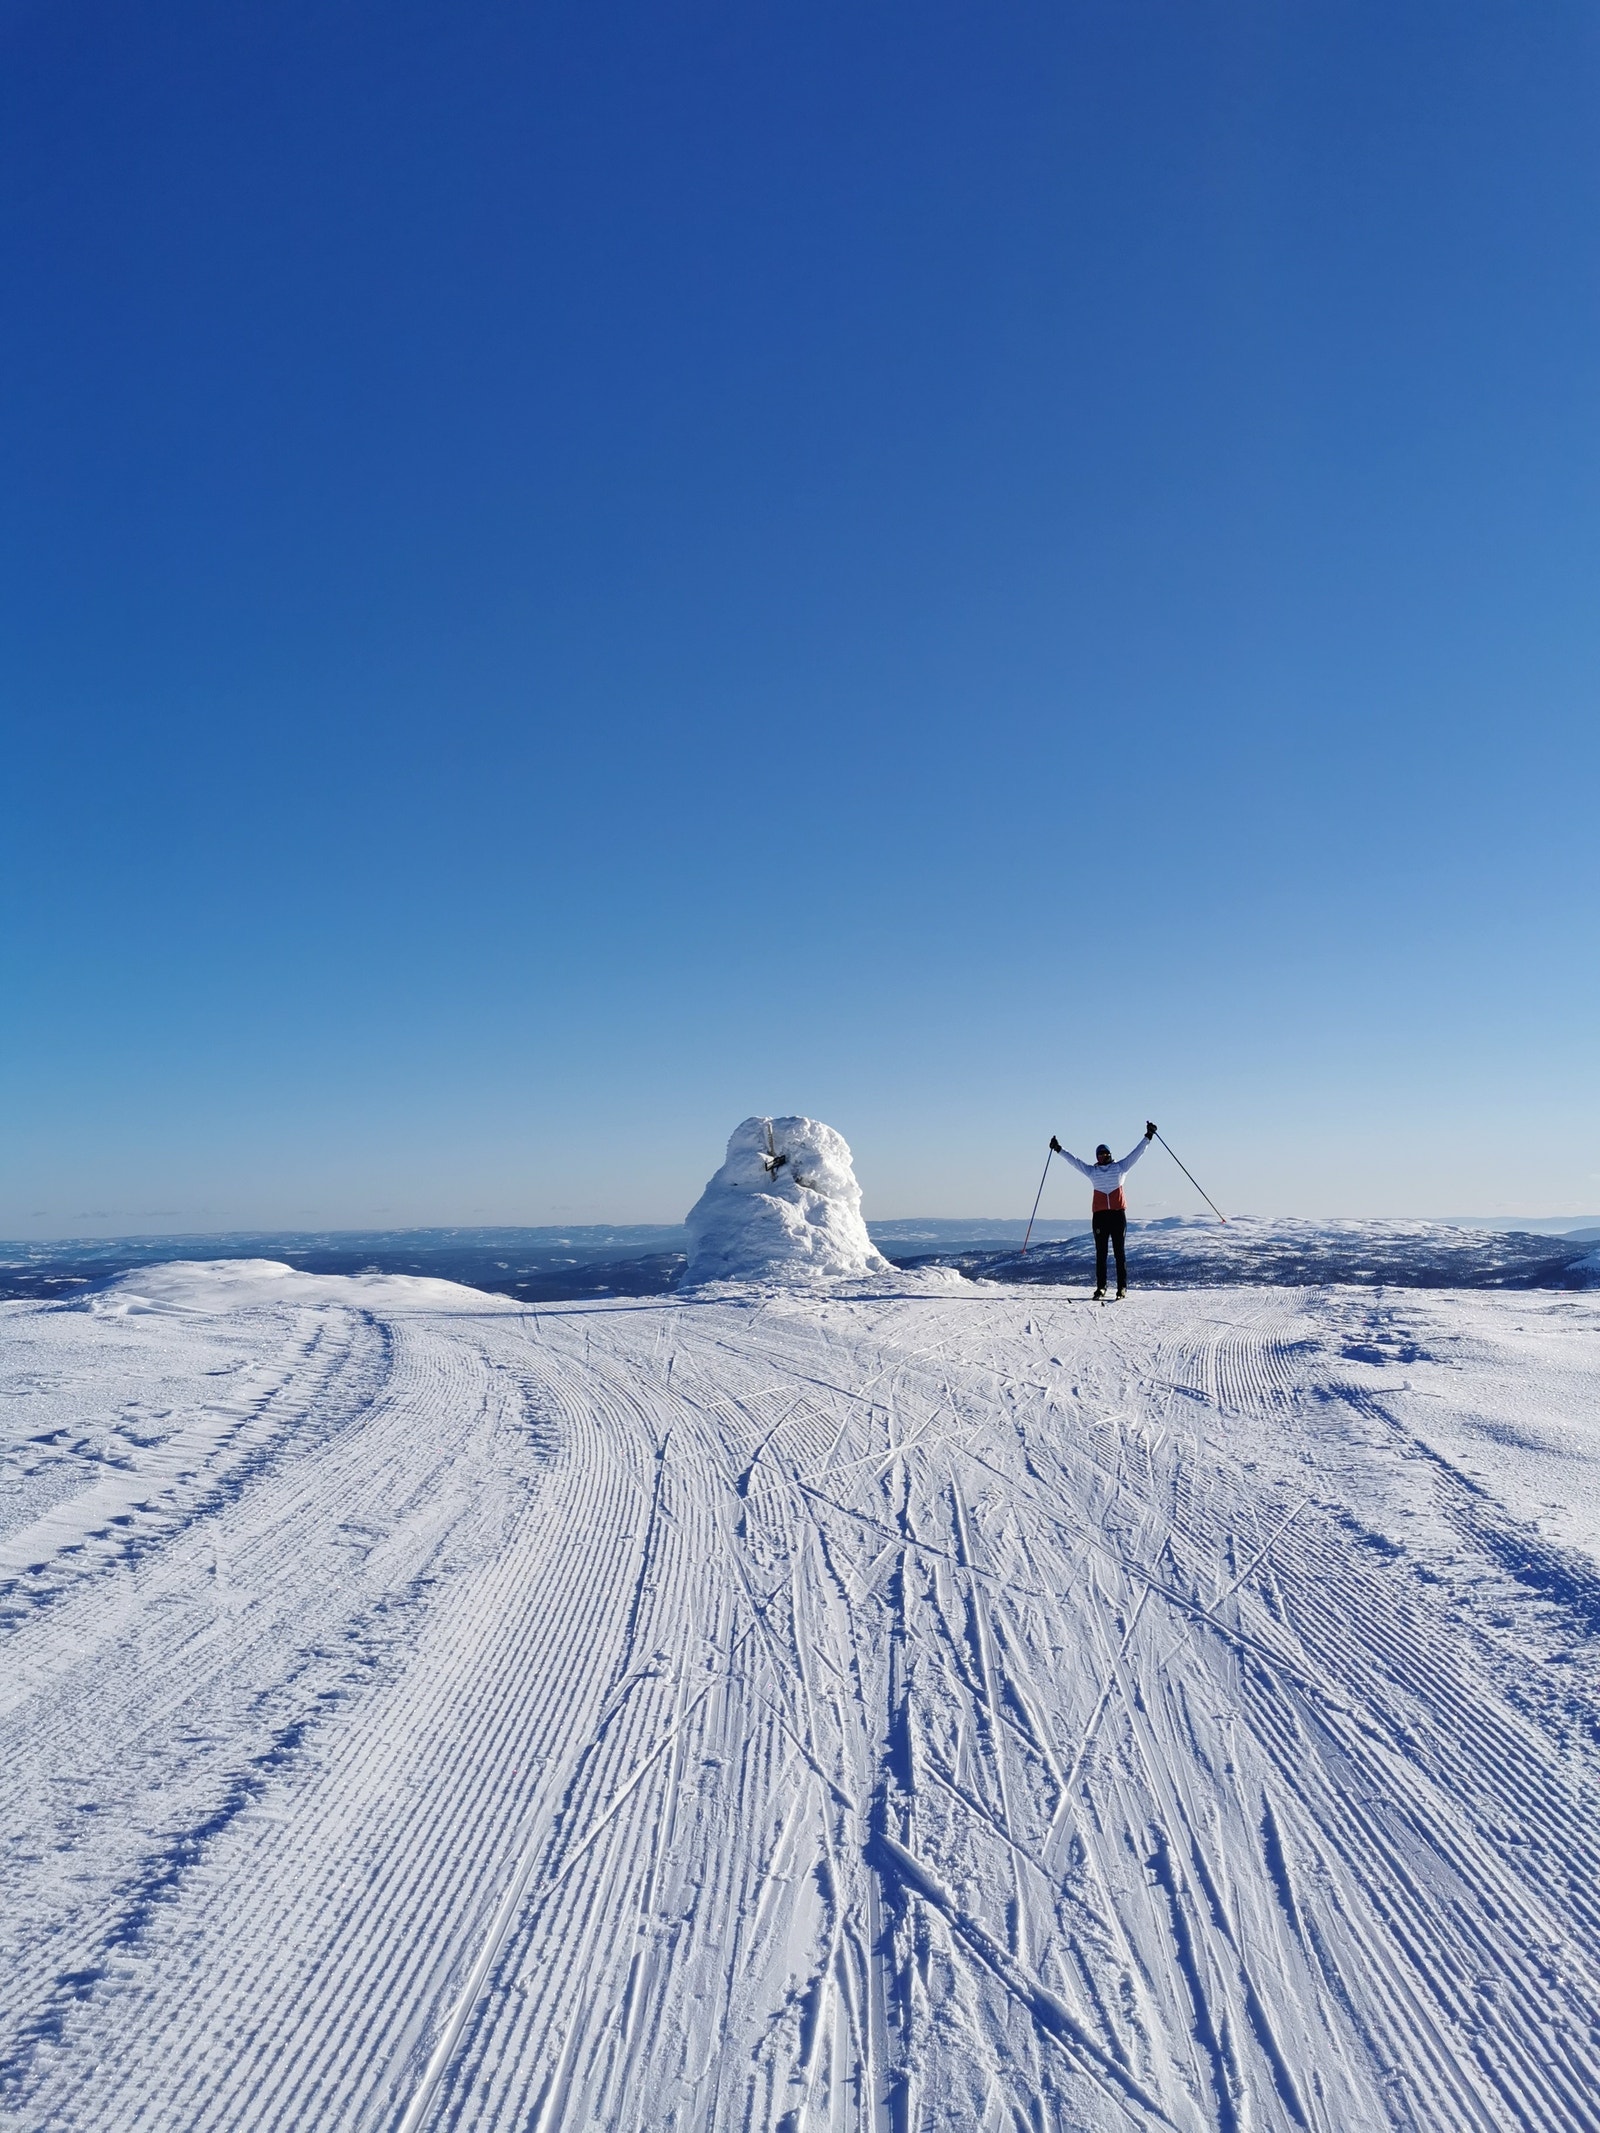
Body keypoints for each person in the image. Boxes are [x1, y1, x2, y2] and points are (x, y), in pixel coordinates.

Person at [1048, 1122, 1158, 1300]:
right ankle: (1101, 1288)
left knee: (1119, 1254)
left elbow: (1136, 1154)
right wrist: (1058, 1149)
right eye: (1099, 1155)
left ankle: (1122, 1288)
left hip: (1117, 1215)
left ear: (1109, 1155)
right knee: (1101, 1255)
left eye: (1104, 1154)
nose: (1102, 1157)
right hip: (1100, 1217)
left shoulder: (1120, 1168)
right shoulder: (1092, 1172)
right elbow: (1075, 1162)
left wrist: (1148, 1137)